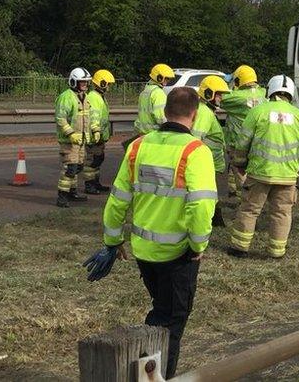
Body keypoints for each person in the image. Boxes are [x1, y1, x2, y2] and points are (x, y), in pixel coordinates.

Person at [83, 87, 217, 377]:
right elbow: (202, 206)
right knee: (170, 323)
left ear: (166, 111)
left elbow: (119, 198)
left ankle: (146, 371)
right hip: (178, 254)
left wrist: (112, 241)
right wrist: (198, 246)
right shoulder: (196, 151)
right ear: (194, 115)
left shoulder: (138, 146)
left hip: (143, 251)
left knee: (161, 314)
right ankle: (154, 376)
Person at [229, 75, 299, 258]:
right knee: (282, 213)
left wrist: (240, 163)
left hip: (260, 173)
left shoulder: (258, 112)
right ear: (291, 94)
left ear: (270, 90)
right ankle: (276, 251)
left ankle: (239, 248)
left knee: (249, 210)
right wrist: (297, 167)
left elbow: (243, 142)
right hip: (287, 176)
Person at [54, 68, 99, 208]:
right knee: (70, 169)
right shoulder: (66, 97)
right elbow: (60, 118)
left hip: (81, 141)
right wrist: (70, 134)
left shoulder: (84, 97)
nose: (85, 85)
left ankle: (72, 192)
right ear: (74, 82)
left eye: (86, 82)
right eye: (82, 82)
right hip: (69, 142)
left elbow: (90, 117)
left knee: (78, 167)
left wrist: (95, 130)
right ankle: (62, 197)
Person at [221, 65, 267, 200]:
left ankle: (245, 200)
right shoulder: (263, 94)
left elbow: (220, 97)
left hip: (238, 141)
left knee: (240, 171)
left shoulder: (235, 97)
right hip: (256, 141)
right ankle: (233, 192)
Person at [194, 75, 229, 225]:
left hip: (210, 162)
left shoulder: (206, 111)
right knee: (208, 193)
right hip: (206, 163)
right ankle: (212, 219)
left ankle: (215, 218)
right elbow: (195, 139)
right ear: (209, 94)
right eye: (219, 94)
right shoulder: (204, 113)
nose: (221, 98)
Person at [84, 69, 115, 195]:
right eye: (108, 84)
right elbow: (94, 116)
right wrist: (96, 131)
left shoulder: (99, 97)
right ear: (102, 83)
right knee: (92, 160)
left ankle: (95, 183)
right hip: (94, 136)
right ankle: (89, 185)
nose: (109, 86)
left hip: (99, 136)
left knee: (98, 158)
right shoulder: (94, 97)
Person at [135, 63, 176, 136]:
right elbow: (161, 118)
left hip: (143, 133)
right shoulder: (158, 93)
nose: (168, 81)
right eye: (166, 78)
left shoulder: (145, 91)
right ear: (159, 78)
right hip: (155, 134)